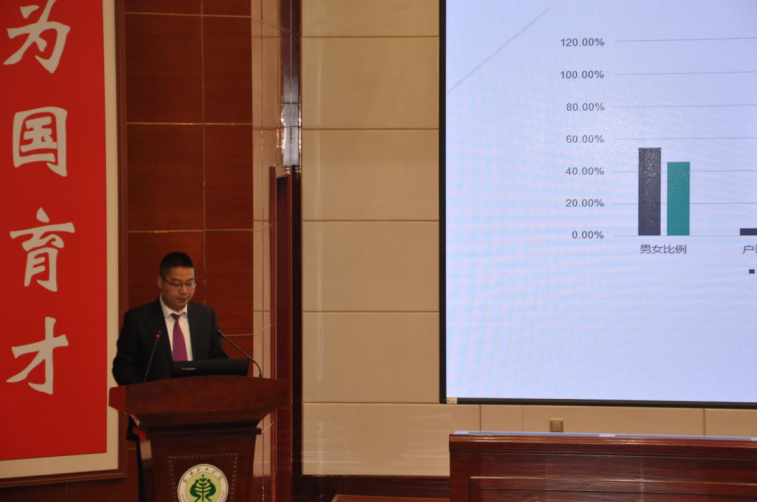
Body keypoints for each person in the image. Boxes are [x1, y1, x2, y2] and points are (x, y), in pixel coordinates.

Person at [112, 251, 228, 384]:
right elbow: (123, 368)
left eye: (189, 283)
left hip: (198, 394)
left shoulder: (206, 316)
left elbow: (219, 361)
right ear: (160, 282)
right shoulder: (138, 320)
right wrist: (144, 392)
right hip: (155, 395)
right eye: (176, 284)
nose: (184, 291)